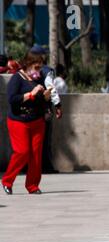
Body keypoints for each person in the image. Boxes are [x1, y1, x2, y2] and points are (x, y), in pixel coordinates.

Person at [1, 51, 53, 195]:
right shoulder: (17, 79)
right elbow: (12, 99)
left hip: (37, 121)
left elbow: (41, 100)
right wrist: (31, 94)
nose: (39, 71)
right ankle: (7, 180)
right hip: (19, 121)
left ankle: (33, 185)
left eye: (40, 68)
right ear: (28, 65)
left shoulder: (38, 78)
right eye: (36, 67)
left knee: (36, 154)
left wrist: (46, 98)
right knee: (22, 152)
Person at [29, 45, 63, 174]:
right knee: (44, 138)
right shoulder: (46, 70)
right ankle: (45, 166)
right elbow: (51, 89)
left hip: (28, 108)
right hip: (43, 109)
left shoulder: (25, 70)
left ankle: (29, 166)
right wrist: (58, 105)